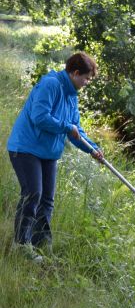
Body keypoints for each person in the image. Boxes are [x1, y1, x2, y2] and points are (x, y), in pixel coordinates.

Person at [7, 51, 103, 262]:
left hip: (47, 152)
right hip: (25, 148)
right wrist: (66, 126)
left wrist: (93, 149)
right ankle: (21, 245)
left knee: (47, 200)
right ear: (75, 73)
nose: (87, 82)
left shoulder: (72, 95)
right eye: (86, 78)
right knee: (33, 194)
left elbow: (76, 130)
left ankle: (41, 244)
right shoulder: (51, 84)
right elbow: (40, 117)